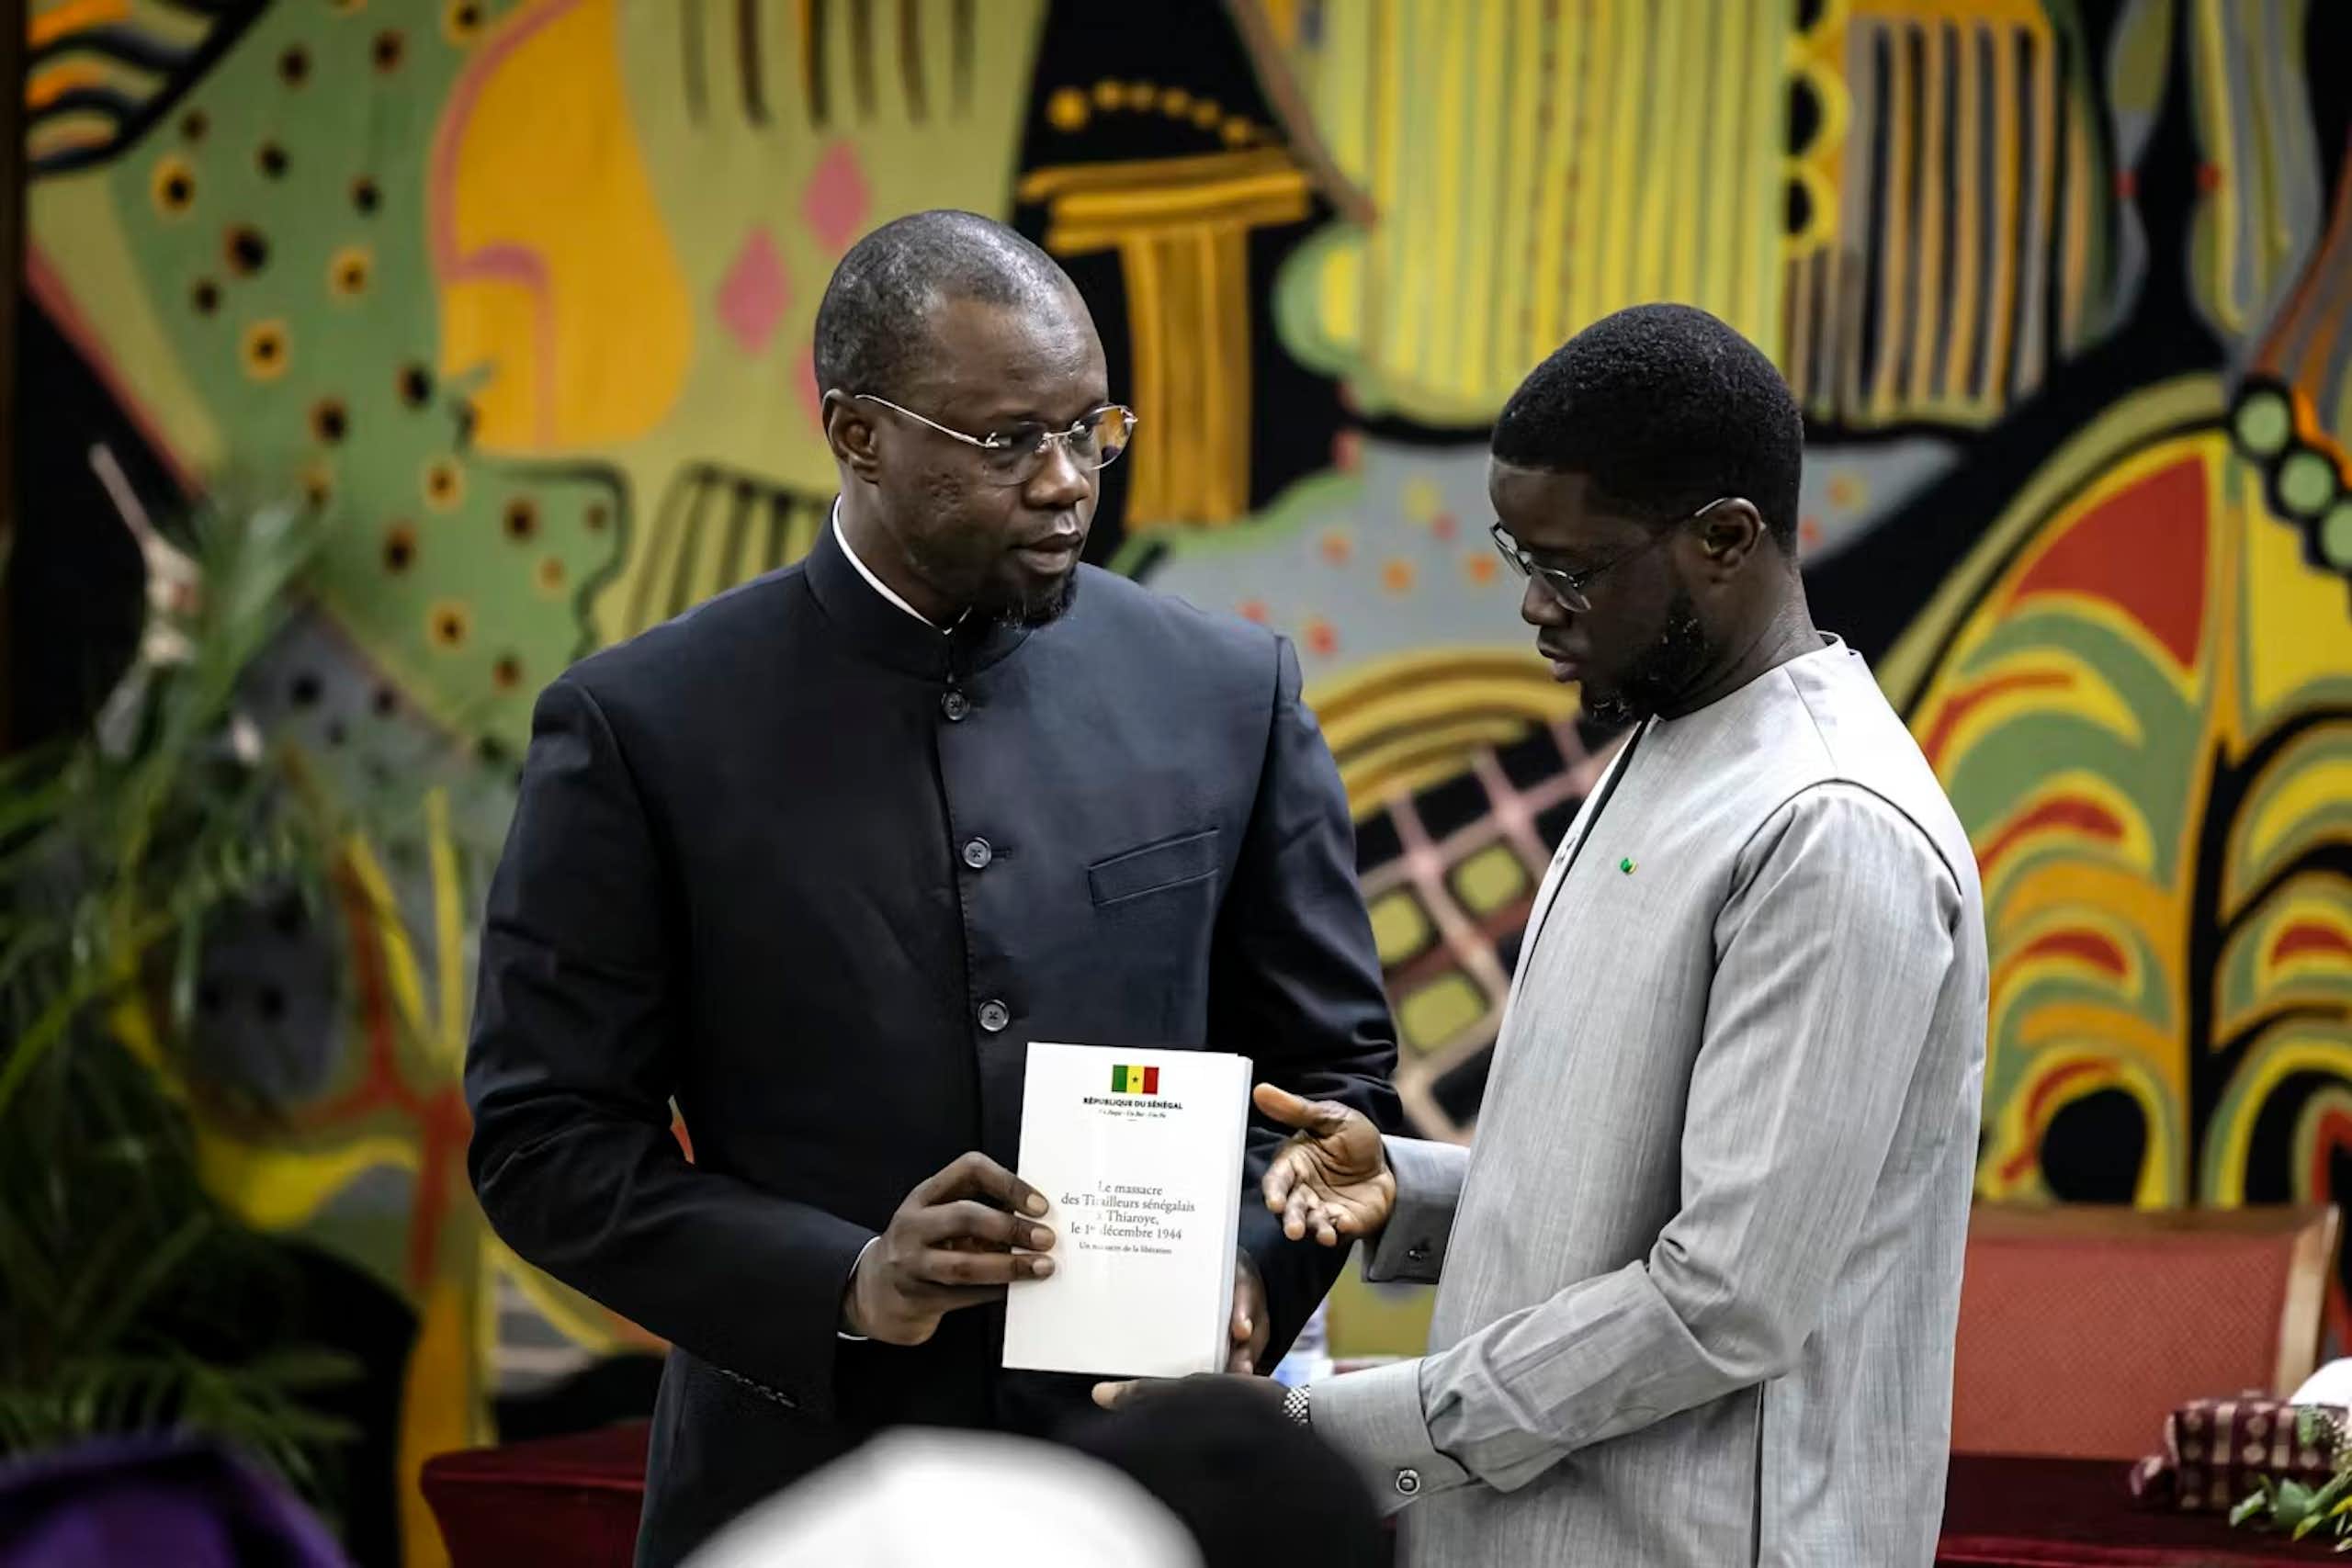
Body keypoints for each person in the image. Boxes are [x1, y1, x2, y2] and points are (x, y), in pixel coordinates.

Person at [465, 209, 1400, 1568]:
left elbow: (1335, 1076)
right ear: (855, 433)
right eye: (1010, 440)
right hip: (795, 1494)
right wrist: (850, 1281)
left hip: (1151, 1504)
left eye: (1093, 430)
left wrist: (1254, 1265)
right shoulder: (642, 728)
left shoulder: (1227, 696)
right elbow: (545, 1141)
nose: (1068, 480)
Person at [1100, 303, 1989, 1567]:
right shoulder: (1671, 746)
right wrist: (1409, 1188)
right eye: (1518, 555)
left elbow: (1723, 1301)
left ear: (1725, 539)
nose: (1533, 606)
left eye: (1570, 569)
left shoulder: (1829, 827)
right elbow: (1638, 1193)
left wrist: (1329, 1427)